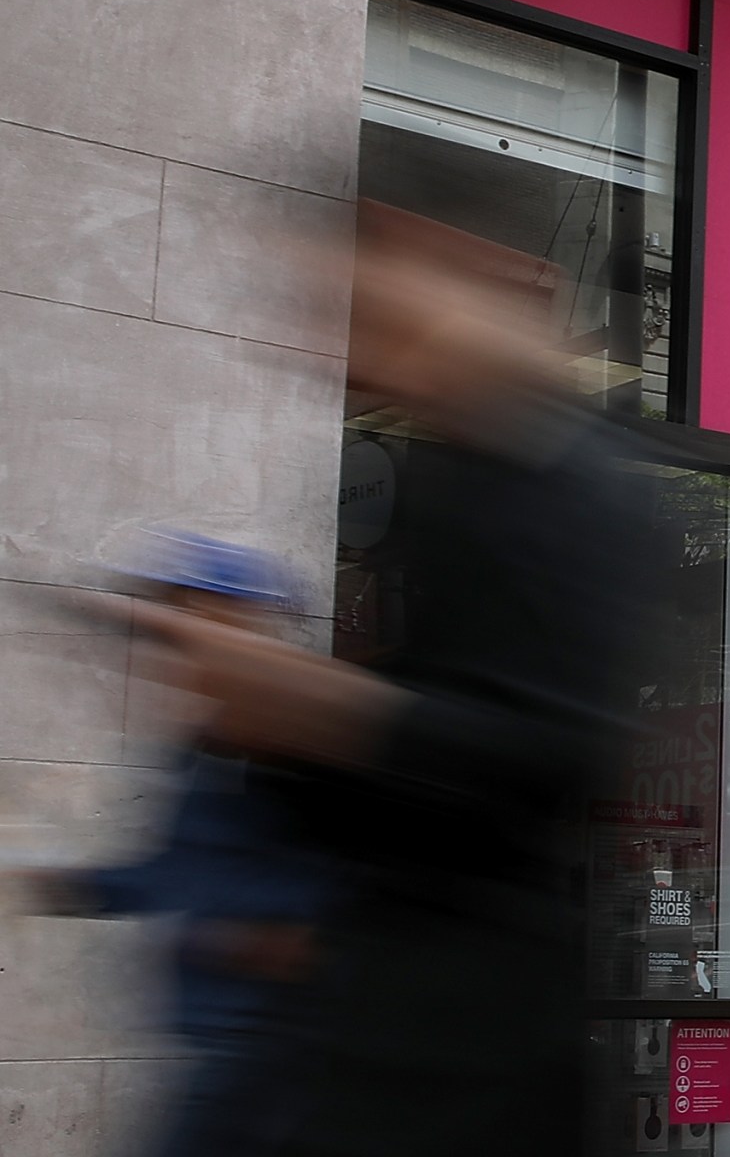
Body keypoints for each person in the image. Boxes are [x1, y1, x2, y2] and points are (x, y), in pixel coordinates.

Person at [107, 201, 657, 1157]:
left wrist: (320, 711)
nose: (356, 356)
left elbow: (557, 749)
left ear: (449, 276)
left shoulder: (569, 480)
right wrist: (277, 737)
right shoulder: (456, 479)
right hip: (379, 1023)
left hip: (462, 1044)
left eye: (368, 316)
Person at [13, 531, 332, 1157]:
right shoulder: (207, 747)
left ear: (245, 621)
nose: (174, 644)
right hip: (224, 1041)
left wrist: (288, 936)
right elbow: (176, 872)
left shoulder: (300, 740)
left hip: (274, 1044)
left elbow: (355, 887)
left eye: (191, 612)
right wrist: (52, 882)